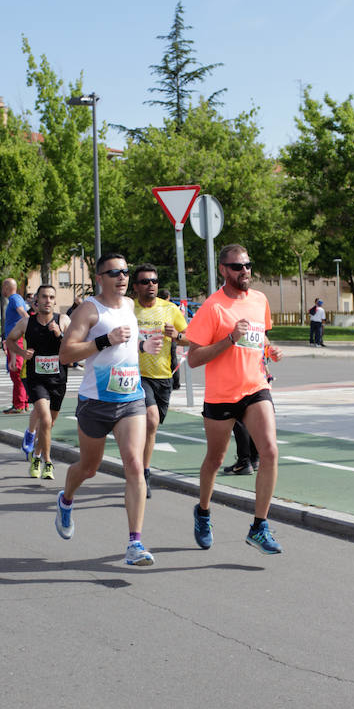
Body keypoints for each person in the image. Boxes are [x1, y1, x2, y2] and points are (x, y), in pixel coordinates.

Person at [57, 252, 160, 567]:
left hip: (130, 399)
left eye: (125, 271)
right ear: (99, 278)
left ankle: (135, 543)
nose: (122, 277)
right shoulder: (89, 310)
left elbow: (126, 343)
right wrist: (104, 341)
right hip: (95, 402)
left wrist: (142, 346)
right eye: (114, 272)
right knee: (89, 468)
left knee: (134, 465)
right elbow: (65, 353)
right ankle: (66, 498)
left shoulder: (129, 306)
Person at [185, 243, 283, 555]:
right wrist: (230, 339)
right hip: (221, 395)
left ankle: (259, 527)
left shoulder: (259, 300)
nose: (245, 272)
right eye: (238, 267)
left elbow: (260, 337)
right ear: (224, 270)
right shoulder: (213, 307)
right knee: (215, 459)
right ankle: (202, 512)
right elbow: (194, 358)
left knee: (269, 451)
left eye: (248, 265)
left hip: (255, 388)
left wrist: (270, 350)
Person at [133, 264, 188, 497]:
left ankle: (138, 463)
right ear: (135, 287)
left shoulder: (170, 309)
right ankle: (143, 472)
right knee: (151, 420)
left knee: (151, 427)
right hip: (136, 376)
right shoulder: (129, 309)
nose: (151, 285)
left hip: (163, 377)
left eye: (154, 281)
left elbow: (189, 339)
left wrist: (176, 336)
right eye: (145, 282)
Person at [7, 284, 70, 480]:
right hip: (36, 379)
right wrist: (20, 353)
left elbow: (74, 345)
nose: (48, 301)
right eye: (44, 297)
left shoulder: (63, 320)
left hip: (58, 379)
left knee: (49, 424)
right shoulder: (27, 322)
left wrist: (60, 333)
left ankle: (36, 455)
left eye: (51, 297)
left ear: (55, 301)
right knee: (45, 418)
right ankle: (48, 462)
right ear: (37, 301)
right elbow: (9, 340)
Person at [2, 277, 29, 414]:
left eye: (3, 287)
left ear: (7, 287)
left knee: (16, 373)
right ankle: (22, 403)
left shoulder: (14, 299)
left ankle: (19, 405)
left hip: (16, 339)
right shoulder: (18, 298)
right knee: (18, 373)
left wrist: (28, 325)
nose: (2, 290)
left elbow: (23, 314)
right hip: (16, 339)